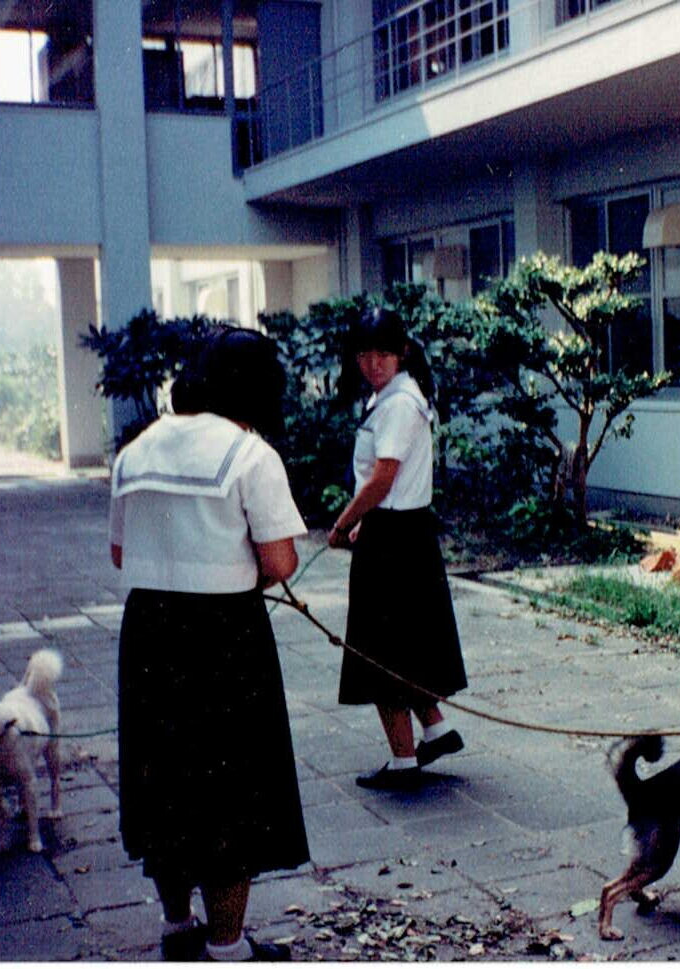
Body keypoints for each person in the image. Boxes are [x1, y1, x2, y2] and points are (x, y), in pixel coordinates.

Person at [110, 328, 309, 962]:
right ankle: (227, 947)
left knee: (164, 783)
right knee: (231, 793)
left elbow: (119, 552)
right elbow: (279, 561)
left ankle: (178, 927)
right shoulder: (250, 454)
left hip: (148, 635)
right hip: (225, 638)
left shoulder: (135, 449)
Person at [328, 307, 468, 791]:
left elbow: (382, 479)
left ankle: (404, 762)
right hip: (402, 532)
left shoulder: (398, 404)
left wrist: (344, 522)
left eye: (383, 354)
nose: (373, 364)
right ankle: (436, 731)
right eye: (364, 354)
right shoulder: (394, 396)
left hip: (394, 539)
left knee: (379, 652)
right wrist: (366, 521)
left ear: (401, 352)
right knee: (407, 646)